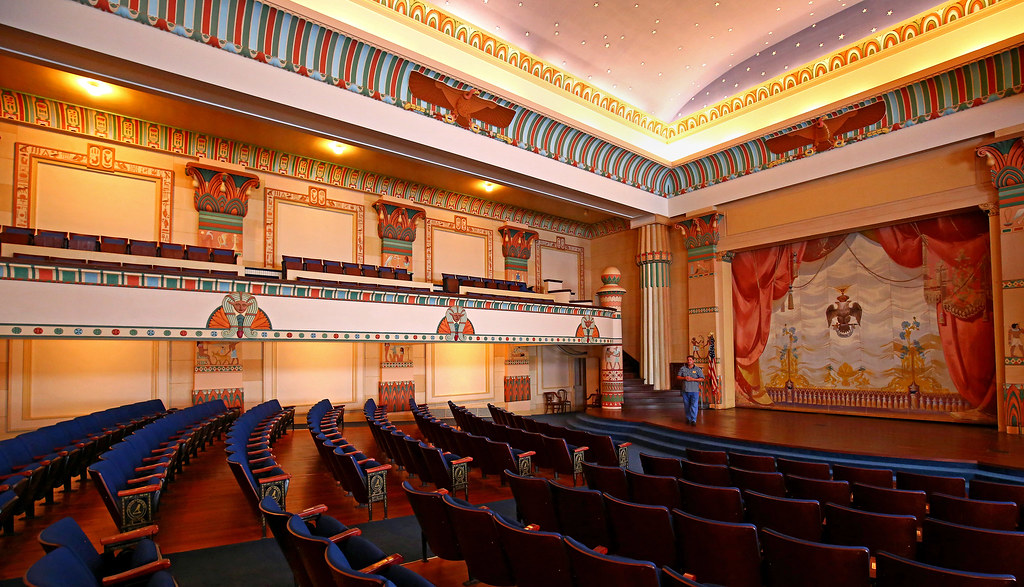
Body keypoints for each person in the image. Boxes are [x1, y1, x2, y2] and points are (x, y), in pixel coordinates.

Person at [677, 355, 704, 427]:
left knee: (694, 405)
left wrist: (693, 379)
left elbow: (702, 379)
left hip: (694, 390)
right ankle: (688, 418)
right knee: (687, 405)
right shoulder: (683, 368)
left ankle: (693, 419)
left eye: (691, 360)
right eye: (688, 359)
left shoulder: (698, 369)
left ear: (693, 361)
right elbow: (678, 377)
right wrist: (684, 377)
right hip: (685, 390)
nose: (689, 361)